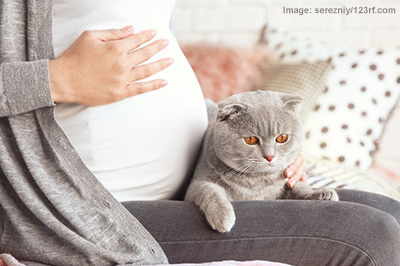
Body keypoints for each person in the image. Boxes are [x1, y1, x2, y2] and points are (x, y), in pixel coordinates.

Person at [0, 1, 399, 266]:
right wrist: (57, 79)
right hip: (89, 212)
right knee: (370, 237)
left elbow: (156, 69)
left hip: (195, 177)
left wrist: (237, 129)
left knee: (391, 212)